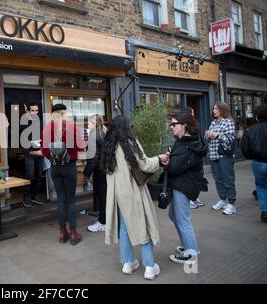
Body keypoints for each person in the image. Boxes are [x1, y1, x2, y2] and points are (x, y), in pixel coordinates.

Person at [102, 116, 169, 280]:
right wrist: (159, 159)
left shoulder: (108, 146)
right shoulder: (130, 143)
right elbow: (145, 164)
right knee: (143, 226)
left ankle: (128, 263)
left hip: (117, 195)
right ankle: (149, 267)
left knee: (124, 228)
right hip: (133, 193)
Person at [166, 111, 208, 264]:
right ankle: (188, 245)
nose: (172, 127)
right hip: (182, 183)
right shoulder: (184, 140)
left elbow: (175, 167)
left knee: (182, 219)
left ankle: (191, 253)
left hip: (184, 184)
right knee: (174, 215)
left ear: (184, 125)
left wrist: (167, 160)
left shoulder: (190, 143)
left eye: (174, 124)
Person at [41, 103, 86, 245]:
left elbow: (44, 152)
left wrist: (54, 157)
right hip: (69, 167)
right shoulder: (72, 126)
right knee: (71, 200)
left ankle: (62, 232)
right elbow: (81, 146)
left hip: (55, 168)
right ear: (63, 112)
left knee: (60, 199)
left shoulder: (47, 128)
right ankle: (73, 233)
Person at [204, 102, 237, 215]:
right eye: (213, 109)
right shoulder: (213, 123)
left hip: (225, 155)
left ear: (223, 110)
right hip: (213, 154)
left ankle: (231, 203)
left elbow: (231, 139)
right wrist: (207, 134)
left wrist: (216, 135)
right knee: (218, 179)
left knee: (228, 179)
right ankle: (223, 200)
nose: (214, 111)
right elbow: (208, 138)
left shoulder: (228, 122)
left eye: (216, 109)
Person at [240, 104, 267, 223]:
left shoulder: (250, 130)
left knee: (261, 186)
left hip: (258, 162)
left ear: (256, 116)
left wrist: (251, 156)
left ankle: (265, 210)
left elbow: (245, 148)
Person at [83, 114, 107, 232]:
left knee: (102, 198)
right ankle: (105, 220)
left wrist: (86, 173)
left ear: (94, 123)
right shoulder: (104, 132)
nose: (87, 125)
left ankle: (103, 222)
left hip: (99, 171)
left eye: (89, 123)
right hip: (106, 170)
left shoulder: (93, 135)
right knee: (105, 197)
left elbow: (93, 158)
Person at [182, 106, 206, 209]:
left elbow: (199, 139)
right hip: (190, 156)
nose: (194, 115)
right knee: (190, 177)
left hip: (197, 155)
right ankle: (189, 199)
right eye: (192, 113)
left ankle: (194, 198)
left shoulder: (195, 125)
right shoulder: (184, 126)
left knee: (197, 177)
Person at [21, 103, 44, 207]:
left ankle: (35, 195)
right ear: (28, 111)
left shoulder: (40, 122)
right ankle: (26, 196)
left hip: (39, 152)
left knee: (39, 175)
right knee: (29, 175)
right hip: (29, 153)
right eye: (33, 110)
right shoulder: (23, 123)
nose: (35, 112)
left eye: (36, 110)